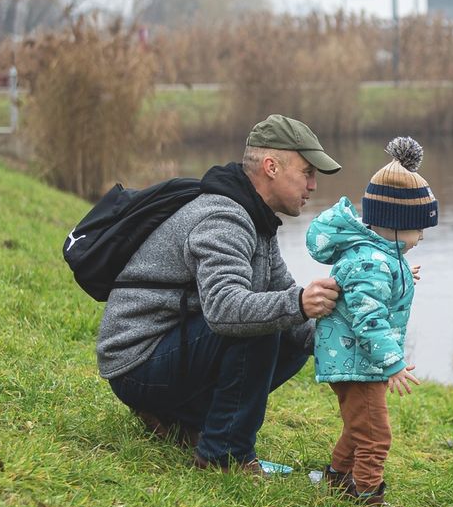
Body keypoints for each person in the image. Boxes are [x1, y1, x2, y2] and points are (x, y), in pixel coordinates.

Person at [98, 114, 342, 475]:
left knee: (289, 332)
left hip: (170, 348)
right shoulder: (224, 218)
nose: (313, 185)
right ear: (271, 167)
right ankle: (224, 455)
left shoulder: (256, 220)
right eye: (307, 172)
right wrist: (299, 304)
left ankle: (181, 420)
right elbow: (226, 310)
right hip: (136, 362)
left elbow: (285, 298)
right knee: (262, 324)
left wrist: (349, 347)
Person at [305, 136, 438, 507]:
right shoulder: (372, 264)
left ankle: (337, 479)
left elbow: (370, 288)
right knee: (376, 436)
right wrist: (393, 363)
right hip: (357, 362)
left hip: (355, 360)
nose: (421, 237)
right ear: (398, 224)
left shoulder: (379, 258)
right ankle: (368, 498)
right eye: (419, 229)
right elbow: (369, 319)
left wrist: (402, 274)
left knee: (358, 427)